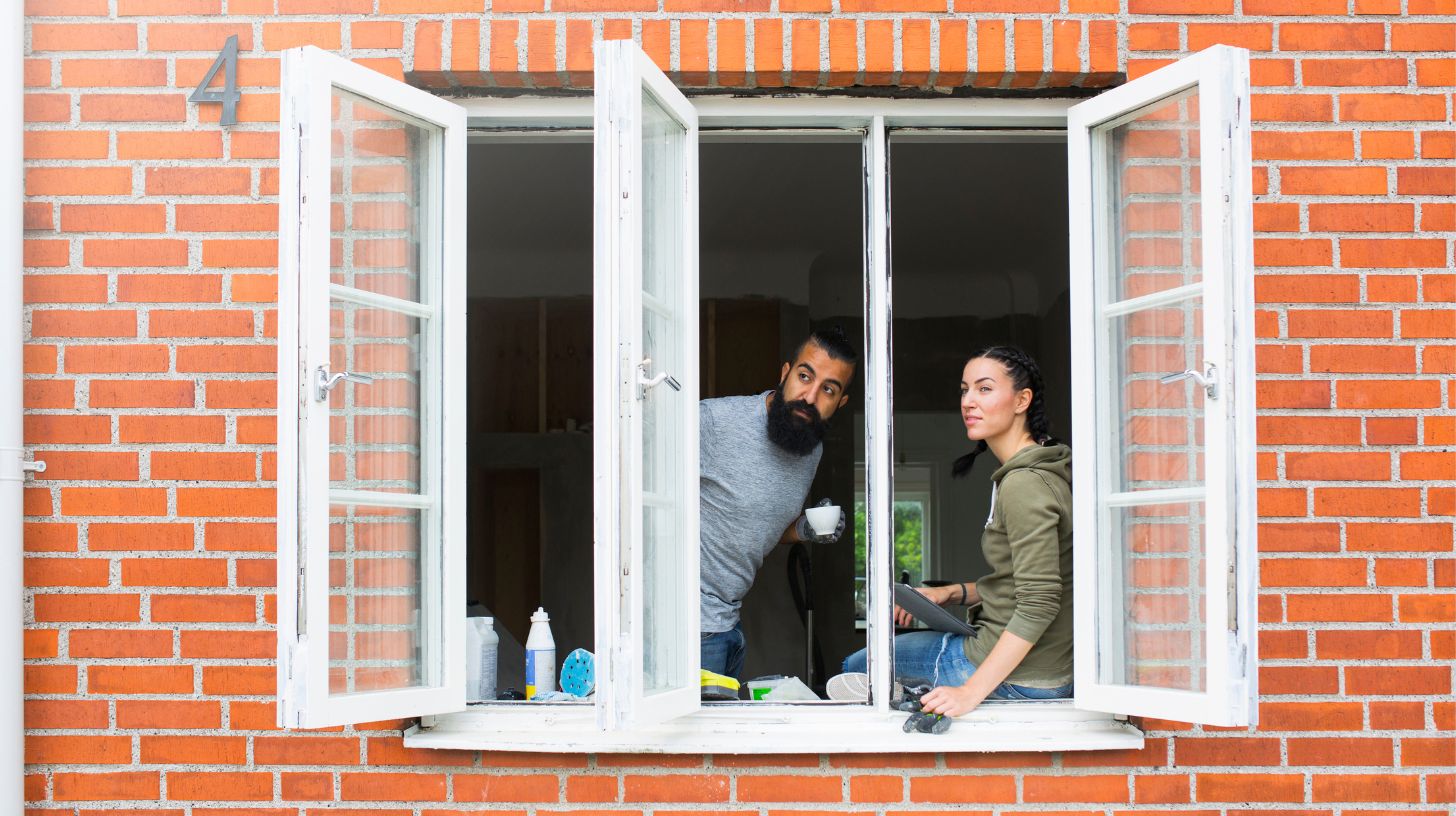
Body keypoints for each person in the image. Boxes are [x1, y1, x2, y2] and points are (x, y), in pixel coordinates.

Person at [839, 345, 1072, 716]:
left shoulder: (1024, 484)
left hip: (1019, 675)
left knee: (857, 667)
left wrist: (968, 693)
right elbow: (1022, 581)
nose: (968, 401)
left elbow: (1040, 601)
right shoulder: (1039, 470)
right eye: (965, 390)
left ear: (1022, 400)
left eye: (984, 388)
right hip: (1040, 666)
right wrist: (949, 593)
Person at [699, 328, 858, 681]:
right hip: (687, 622)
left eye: (828, 390)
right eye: (805, 377)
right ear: (785, 373)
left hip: (728, 623)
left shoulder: (810, 450)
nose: (810, 396)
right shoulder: (713, 422)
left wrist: (804, 530)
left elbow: (761, 524)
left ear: (840, 402)